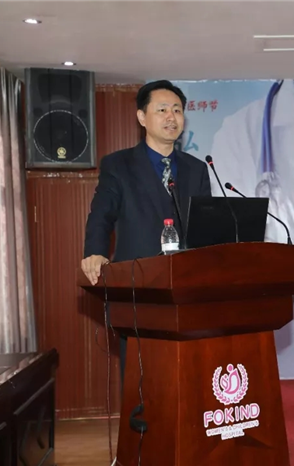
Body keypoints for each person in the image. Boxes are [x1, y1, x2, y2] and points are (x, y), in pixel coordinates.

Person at [81, 80, 211, 377]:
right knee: (140, 380)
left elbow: (204, 227)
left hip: (187, 292)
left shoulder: (196, 169)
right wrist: (95, 252)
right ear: (142, 117)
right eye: (162, 109)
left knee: (188, 375)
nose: (171, 117)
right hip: (139, 290)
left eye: (177, 110)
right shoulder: (118, 165)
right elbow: (101, 214)